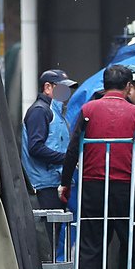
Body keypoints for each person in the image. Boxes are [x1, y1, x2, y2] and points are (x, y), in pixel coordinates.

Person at [59, 64, 135, 269]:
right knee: (128, 238)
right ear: (128, 87)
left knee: (91, 240)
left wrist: (65, 183)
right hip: (124, 185)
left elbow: (73, 149)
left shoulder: (88, 109)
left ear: (104, 85)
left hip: (92, 184)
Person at [22, 68, 77, 210]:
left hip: (54, 182)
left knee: (55, 229)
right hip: (44, 185)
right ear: (47, 87)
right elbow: (35, 148)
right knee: (48, 230)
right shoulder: (40, 111)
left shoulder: (56, 112)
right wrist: (67, 158)